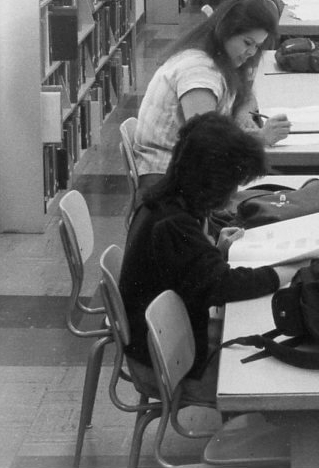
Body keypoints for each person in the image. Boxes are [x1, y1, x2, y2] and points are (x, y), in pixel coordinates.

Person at [120, 113, 295, 402]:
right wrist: (285, 272)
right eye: (232, 184)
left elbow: (192, 271)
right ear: (210, 183)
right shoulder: (173, 224)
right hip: (170, 365)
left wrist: (215, 249)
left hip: (166, 343)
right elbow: (223, 285)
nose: (235, 192)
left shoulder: (162, 202)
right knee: (278, 371)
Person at [132, 0, 291, 193]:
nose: (251, 52)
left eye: (257, 46)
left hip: (187, 173)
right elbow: (207, 143)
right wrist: (260, 139)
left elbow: (245, 93)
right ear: (226, 31)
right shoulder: (199, 72)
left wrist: (242, 113)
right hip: (169, 185)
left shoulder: (219, 56)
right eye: (247, 42)